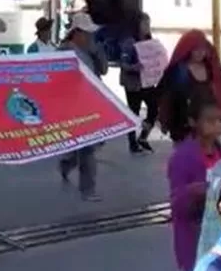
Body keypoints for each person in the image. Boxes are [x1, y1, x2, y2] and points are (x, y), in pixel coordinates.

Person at [167, 95, 221, 271]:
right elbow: (177, 203)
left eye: (220, 120)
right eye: (210, 121)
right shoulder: (182, 158)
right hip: (194, 241)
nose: (217, 125)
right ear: (193, 122)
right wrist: (197, 191)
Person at [58, 13, 108, 201]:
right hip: (74, 106)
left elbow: (103, 70)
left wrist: (98, 52)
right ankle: (88, 189)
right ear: (76, 33)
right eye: (87, 34)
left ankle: (67, 162)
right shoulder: (64, 52)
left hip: (90, 103)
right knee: (87, 147)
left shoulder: (90, 51)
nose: (90, 37)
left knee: (85, 146)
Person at [157, 30, 221, 143]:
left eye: (203, 49)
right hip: (183, 125)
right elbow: (168, 97)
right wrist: (165, 120)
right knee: (185, 158)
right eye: (196, 49)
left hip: (208, 125)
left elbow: (219, 92)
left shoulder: (211, 68)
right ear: (188, 49)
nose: (200, 53)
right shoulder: (179, 71)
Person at [119, 12, 158, 154]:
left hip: (147, 82)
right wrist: (133, 67)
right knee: (133, 112)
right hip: (133, 84)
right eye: (144, 24)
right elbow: (123, 63)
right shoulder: (129, 42)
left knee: (154, 108)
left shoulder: (150, 41)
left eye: (149, 23)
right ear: (137, 26)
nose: (147, 27)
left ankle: (143, 137)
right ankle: (132, 144)